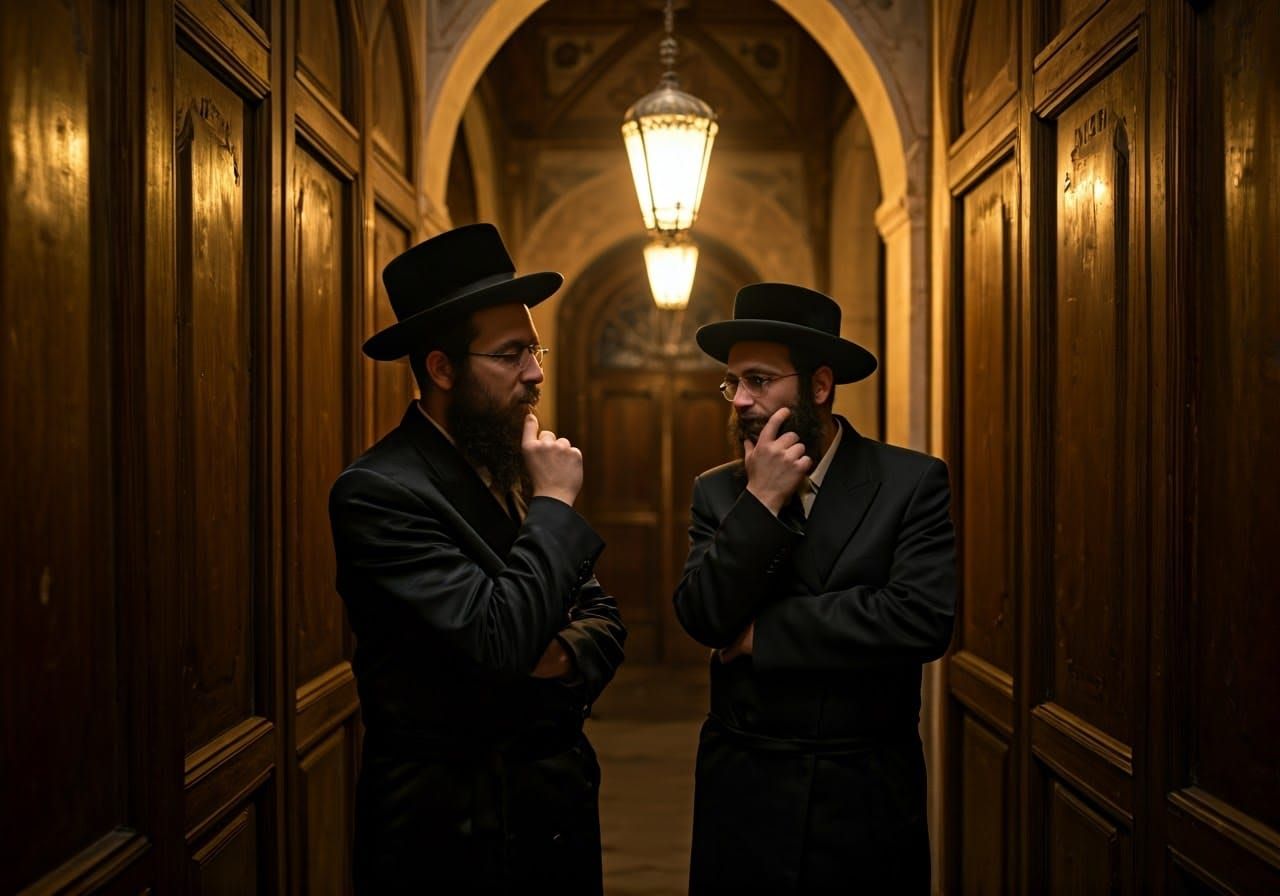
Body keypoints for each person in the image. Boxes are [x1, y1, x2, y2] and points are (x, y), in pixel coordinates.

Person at [329, 223, 626, 894]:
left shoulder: (509, 458)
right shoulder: (378, 492)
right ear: (442, 368)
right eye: (511, 353)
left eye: (536, 346)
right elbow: (500, 640)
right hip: (449, 835)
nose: (537, 372)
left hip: (554, 813)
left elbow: (605, 618)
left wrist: (559, 655)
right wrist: (554, 502)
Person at [673, 283, 956, 894]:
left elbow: (918, 619)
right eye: (732, 384)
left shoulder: (909, 482)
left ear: (819, 386)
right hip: (744, 789)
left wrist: (764, 635)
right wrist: (762, 500)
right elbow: (701, 616)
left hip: (861, 792)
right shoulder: (719, 491)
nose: (740, 401)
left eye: (759, 380)